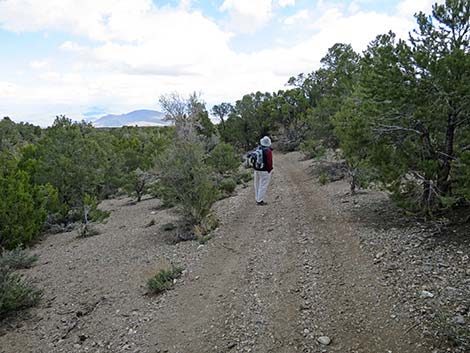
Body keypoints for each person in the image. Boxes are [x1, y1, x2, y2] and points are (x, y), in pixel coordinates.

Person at [254, 136, 273, 205]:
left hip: (256, 169)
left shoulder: (258, 148)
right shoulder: (268, 151)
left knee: (257, 184)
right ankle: (260, 200)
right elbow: (269, 162)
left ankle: (257, 198)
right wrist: (269, 169)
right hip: (264, 170)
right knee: (263, 184)